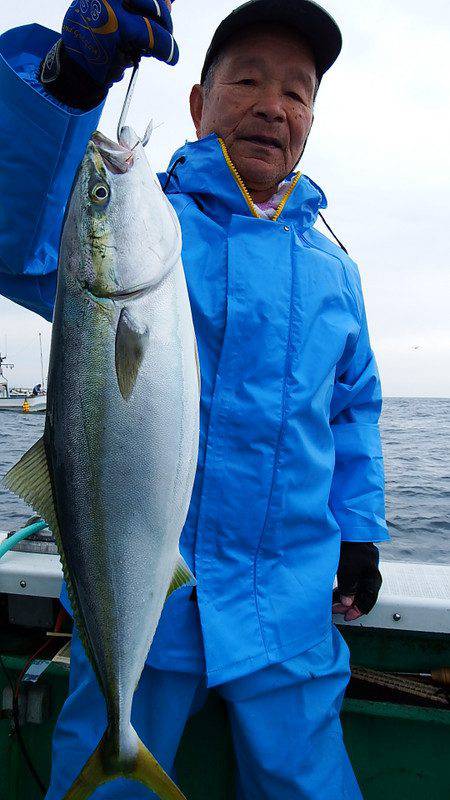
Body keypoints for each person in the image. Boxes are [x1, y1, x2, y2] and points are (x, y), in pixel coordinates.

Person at [0, 1, 389, 798]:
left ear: (311, 121)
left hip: (290, 607)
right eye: (246, 80)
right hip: (142, 611)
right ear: (196, 102)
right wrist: (68, 84)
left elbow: (354, 410)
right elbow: (20, 230)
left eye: (297, 91)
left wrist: (360, 532)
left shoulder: (333, 270)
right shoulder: (142, 223)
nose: (272, 105)